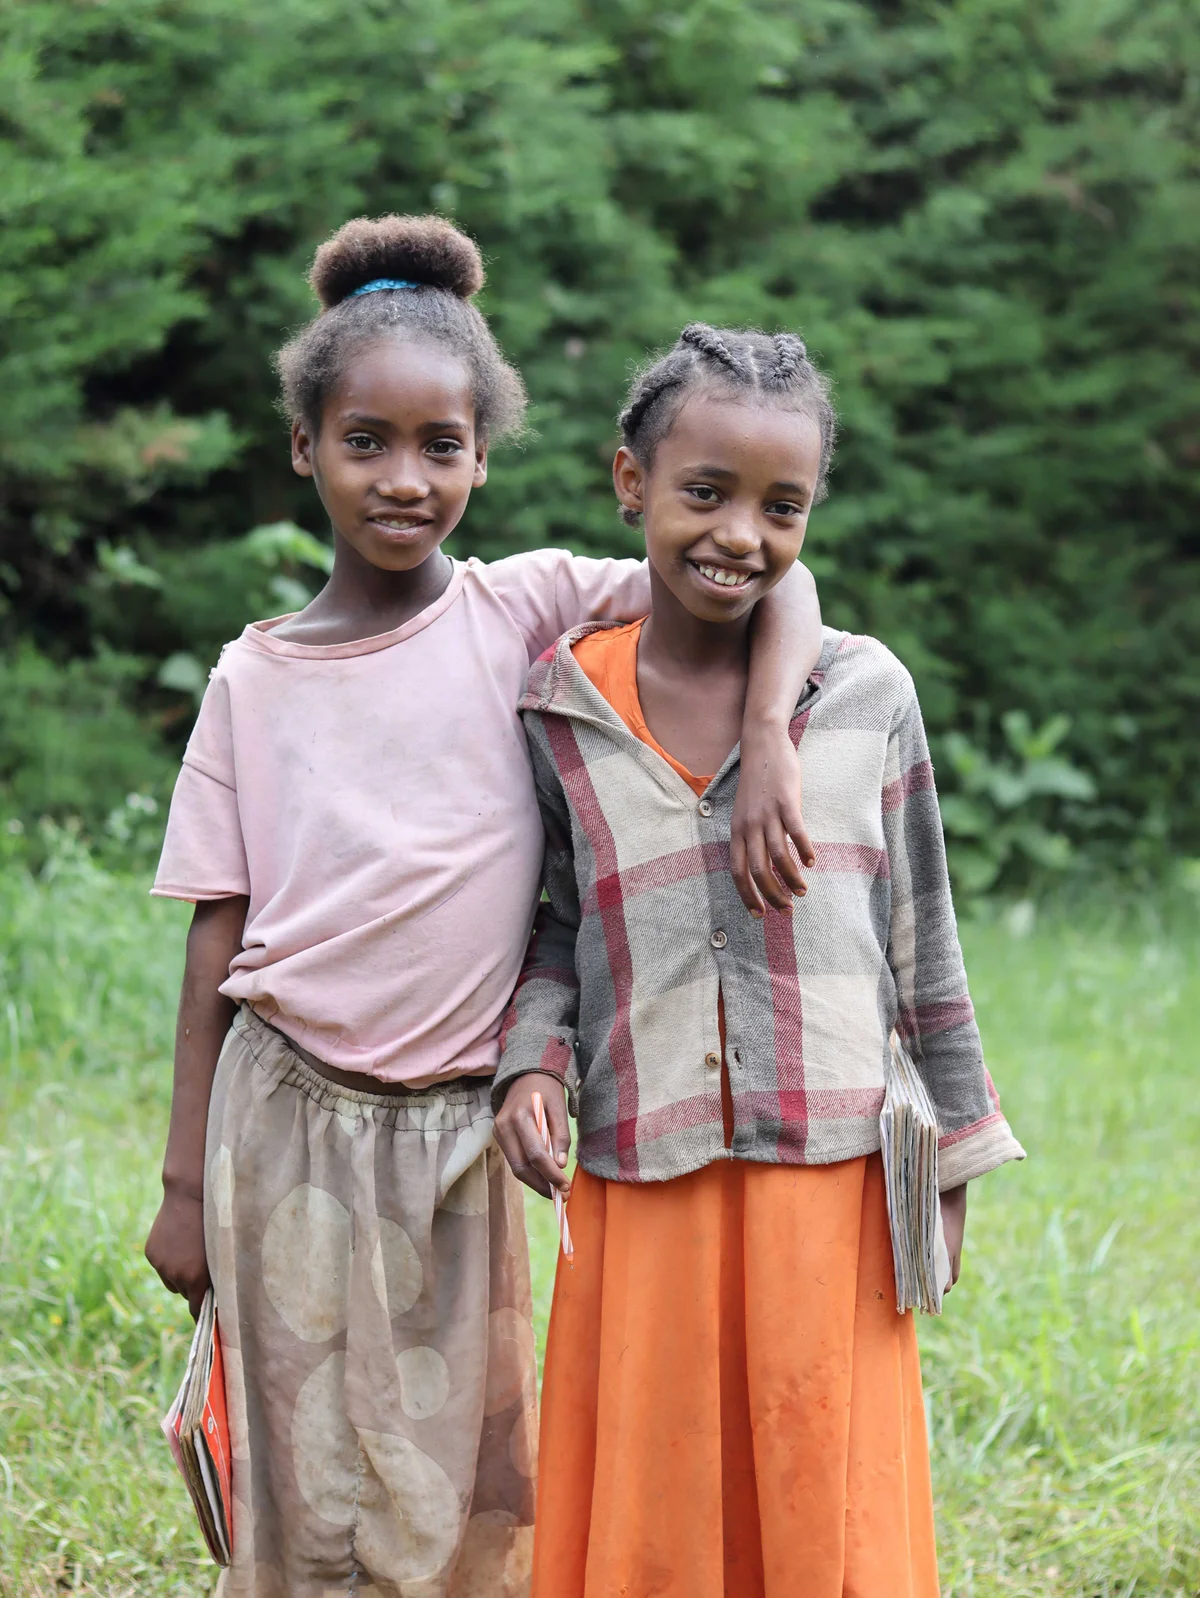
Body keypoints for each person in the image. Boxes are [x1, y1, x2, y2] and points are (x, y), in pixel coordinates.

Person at [143, 218, 826, 1598]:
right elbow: (216, 935)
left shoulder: (522, 610)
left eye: (440, 445)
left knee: (462, 1460)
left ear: (483, 454)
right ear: (305, 446)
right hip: (283, 1115)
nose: (406, 479)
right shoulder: (252, 675)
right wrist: (177, 1186)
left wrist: (772, 730)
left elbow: (769, 570)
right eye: (366, 441)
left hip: (463, 1131)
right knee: (299, 1448)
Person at [494, 321, 1026, 1598]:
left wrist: (952, 1155)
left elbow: (923, 937)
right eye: (705, 492)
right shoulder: (562, 703)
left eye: (781, 505)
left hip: (831, 1171)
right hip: (646, 1161)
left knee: (820, 1489)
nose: (741, 532)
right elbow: (555, 921)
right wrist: (531, 1063)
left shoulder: (865, 695)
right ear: (631, 481)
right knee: (659, 1497)